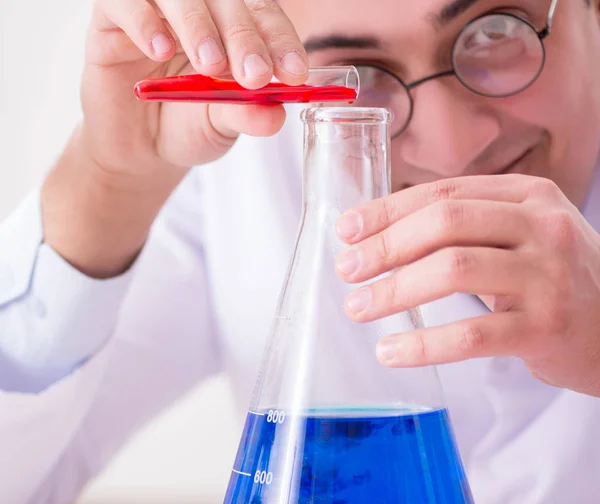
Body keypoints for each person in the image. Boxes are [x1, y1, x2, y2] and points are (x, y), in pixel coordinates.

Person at [2, 0, 600, 501]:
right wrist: (109, 181)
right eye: (356, 76)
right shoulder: (242, 159)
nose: (452, 148)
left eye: (496, 32)